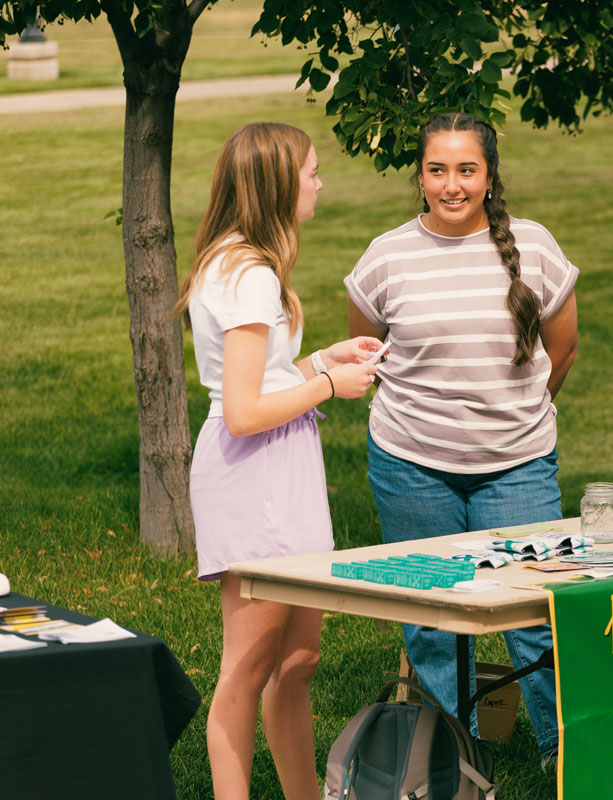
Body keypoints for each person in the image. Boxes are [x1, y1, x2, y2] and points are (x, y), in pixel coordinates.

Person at [345, 112, 579, 765]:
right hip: (410, 465)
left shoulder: (533, 246)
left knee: (535, 611)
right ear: (419, 177)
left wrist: (512, 422)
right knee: (432, 618)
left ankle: (563, 754)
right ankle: (451, 759)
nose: (453, 185)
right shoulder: (386, 256)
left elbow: (562, 350)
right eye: (438, 170)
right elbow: (366, 353)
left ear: (489, 175)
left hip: (520, 465)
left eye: (467, 170)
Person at [176, 122, 382, 799]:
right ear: (276, 184)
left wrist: (322, 359)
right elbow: (240, 409)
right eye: (312, 172)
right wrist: (328, 387)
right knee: (249, 665)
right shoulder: (249, 275)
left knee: (298, 659)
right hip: (252, 472)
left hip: (280, 467)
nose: (321, 183)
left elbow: (261, 376)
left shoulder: (247, 266)